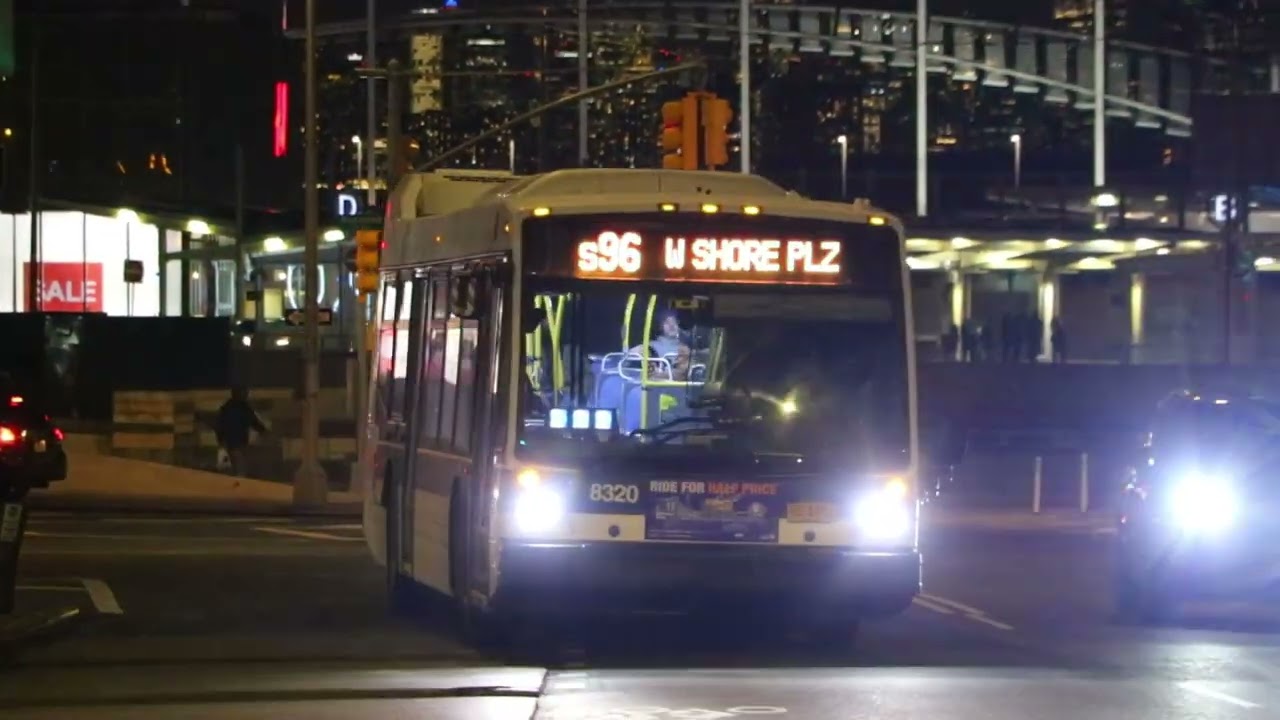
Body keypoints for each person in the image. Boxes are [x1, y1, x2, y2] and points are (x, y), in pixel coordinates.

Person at [215, 386, 268, 477]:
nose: (246, 395)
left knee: (237, 469)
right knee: (240, 470)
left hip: (233, 444)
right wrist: (263, 430)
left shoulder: (227, 408)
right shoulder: (242, 407)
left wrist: (221, 441)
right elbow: (253, 421)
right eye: (245, 393)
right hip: (237, 444)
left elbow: (220, 426)